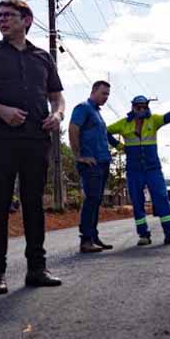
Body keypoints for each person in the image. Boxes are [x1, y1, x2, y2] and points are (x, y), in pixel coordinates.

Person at [0, 0, 65, 294]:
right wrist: (2, 111)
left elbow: (56, 95)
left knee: (34, 203)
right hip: (0, 140)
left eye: (9, 15)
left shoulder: (43, 58)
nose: (2, 20)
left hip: (36, 139)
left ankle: (37, 268)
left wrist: (57, 114)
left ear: (27, 20)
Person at [107, 96, 170, 247]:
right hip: (134, 170)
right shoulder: (124, 124)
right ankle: (143, 235)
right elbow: (106, 131)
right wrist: (118, 146)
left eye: (144, 107)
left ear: (147, 107)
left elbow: (168, 117)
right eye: (138, 107)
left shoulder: (153, 120)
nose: (141, 110)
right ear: (133, 107)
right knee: (137, 202)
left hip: (153, 168)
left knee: (161, 199)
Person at [69, 81, 116, 253]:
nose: (106, 97)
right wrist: (79, 156)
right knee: (91, 200)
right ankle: (86, 240)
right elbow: (73, 129)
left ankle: (94, 237)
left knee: (96, 201)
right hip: (90, 164)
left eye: (108, 95)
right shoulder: (83, 108)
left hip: (102, 163)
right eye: (103, 93)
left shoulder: (97, 113)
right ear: (94, 91)